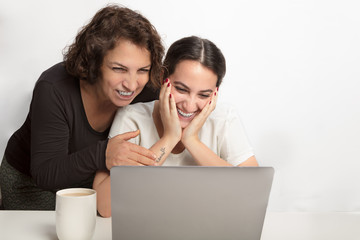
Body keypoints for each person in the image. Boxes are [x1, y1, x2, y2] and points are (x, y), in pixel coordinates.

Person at [0, 5, 164, 210]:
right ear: (93, 60)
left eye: (143, 70)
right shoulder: (53, 88)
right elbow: (45, 174)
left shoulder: (146, 85)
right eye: (118, 69)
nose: (131, 84)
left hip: (93, 181)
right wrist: (103, 153)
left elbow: (186, 90)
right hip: (32, 184)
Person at [93, 36, 259, 217]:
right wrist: (169, 138)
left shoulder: (224, 119)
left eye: (203, 95)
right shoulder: (132, 118)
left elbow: (253, 194)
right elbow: (105, 206)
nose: (189, 105)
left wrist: (192, 140)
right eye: (181, 89)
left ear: (215, 94)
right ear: (164, 78)